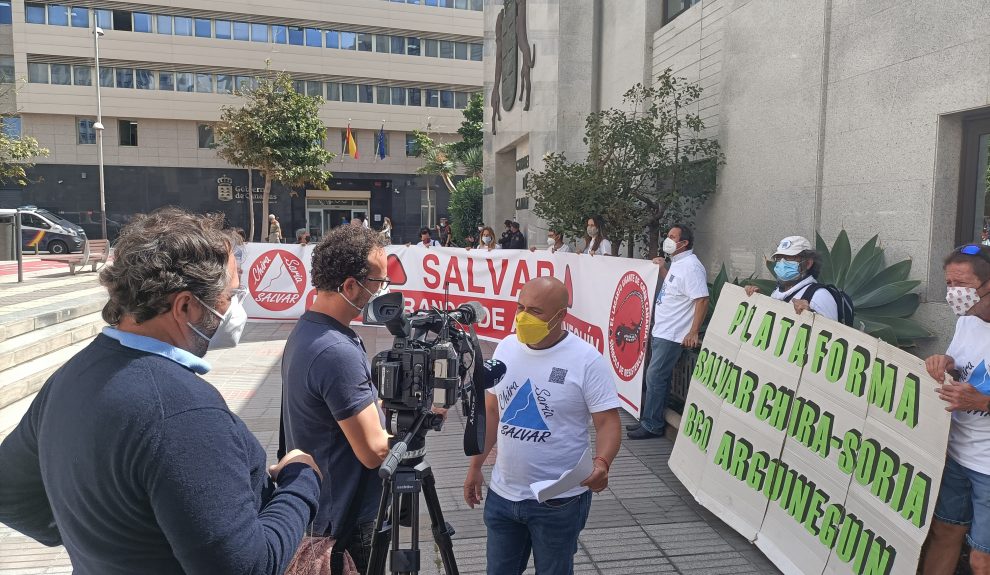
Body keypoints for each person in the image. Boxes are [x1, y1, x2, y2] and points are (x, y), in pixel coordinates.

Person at [0, 208, 322, 574]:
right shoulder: (183, 413)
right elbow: (248, 567)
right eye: (231, 295)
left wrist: (103, 545)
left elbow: (10, 493)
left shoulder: (73, 374)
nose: (234, 309)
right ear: (185, 305)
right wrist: (301, 482)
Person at [463, 276, 621, 575]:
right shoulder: (507, 348)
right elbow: (493, 411)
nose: (522, 317)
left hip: (558, 501)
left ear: (560, 316)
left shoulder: (586, 360)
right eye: (520, 307)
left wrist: (602, 463)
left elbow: (607, 422)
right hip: (503, 496)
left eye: (535, 311)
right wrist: (475, 467)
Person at [281, 225, 391, 573]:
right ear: (349, 286)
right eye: (378, 284)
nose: (381, 292)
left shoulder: (310, 330)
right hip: (346, 519)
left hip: (325, 507)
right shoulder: (336, 350)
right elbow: (374, 452)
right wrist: (417, 419)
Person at [628, 224, 709, 440]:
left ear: (684, 243)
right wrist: (663, 268)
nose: (668, 239)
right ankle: (652, 419)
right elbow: (675, 289)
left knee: (655, 376)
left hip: (673, 334)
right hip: (662, 330)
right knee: (657, 378)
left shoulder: (691, 267)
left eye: (672, 237)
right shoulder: (678, 264)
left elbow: (701, 299)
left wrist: (693, 332)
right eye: (668, 236)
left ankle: (652, 425)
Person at [744, 236, 839, 320]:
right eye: (779, 258)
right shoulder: (778, 291)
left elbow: (833, 334)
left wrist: (810, 315)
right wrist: (758, 299)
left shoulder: (819, 296)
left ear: (808, 263)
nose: (782, 263)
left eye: (789, 258)